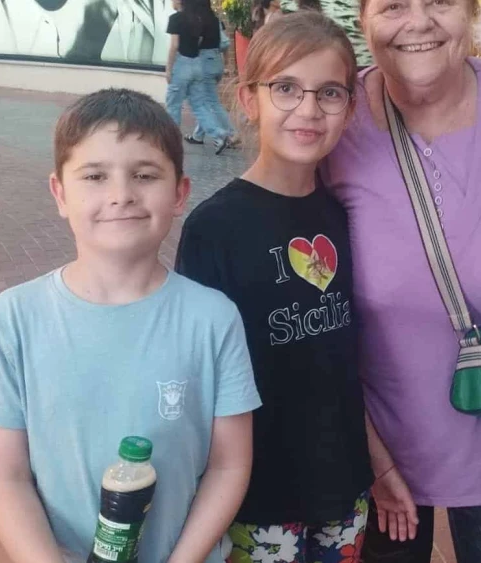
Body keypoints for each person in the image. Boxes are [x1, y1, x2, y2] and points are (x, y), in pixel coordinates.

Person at [0, 89, 261, 563]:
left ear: (180, 192)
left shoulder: (213, 318)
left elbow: (228, 463)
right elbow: (5, 475)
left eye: (145, 174)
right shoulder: (12, 319)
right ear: (60, 193)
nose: (121, 194)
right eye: (94, 176)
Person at [319, 0, 481, 560]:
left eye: (439, 2)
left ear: (471, 13)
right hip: (379, 444)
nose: (418, 22)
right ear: (363, 21)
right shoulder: (335, 122)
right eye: (392, 6)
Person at [175, 12, 374, 563]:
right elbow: (197, 374)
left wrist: (376, 465)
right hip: (255, 497)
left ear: (349, 107)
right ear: (249, 98)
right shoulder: (214, 228)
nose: (308, 109)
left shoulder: (342, 213)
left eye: (329, 92)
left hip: (343, 486)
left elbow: (349, 356)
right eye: (286, 88)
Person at [165, 0, 237, 154]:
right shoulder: (198, 19)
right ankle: (219, 135)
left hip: (182, 64)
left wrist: (169, 68)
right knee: (200, 106)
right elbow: (200, 42)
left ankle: (171, 143)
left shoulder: (175, 18)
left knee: (174, 105)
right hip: (197, 64)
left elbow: (174, 46)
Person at [188, 0, 239, 147]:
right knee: (206, 101)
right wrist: (226, 64)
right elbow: (225, 43)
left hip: (205, 62)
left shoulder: (198, 21)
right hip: (216, 61)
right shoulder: (215, 20)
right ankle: (198, 136)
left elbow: (195, 43)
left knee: (211, 103)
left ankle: (232, 133)